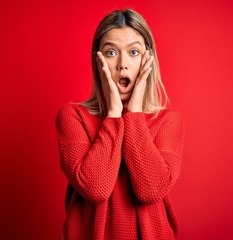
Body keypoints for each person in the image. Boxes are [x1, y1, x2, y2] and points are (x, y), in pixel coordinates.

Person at [55, 8, 184, 240]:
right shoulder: (72, 116)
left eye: (134, 52)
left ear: (148, 59)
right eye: (111, 52)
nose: (122, 64)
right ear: (98, 60)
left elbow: (150, 190)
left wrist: (133, 114)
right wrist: (114, 114)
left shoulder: (167, 121)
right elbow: (96, 188)